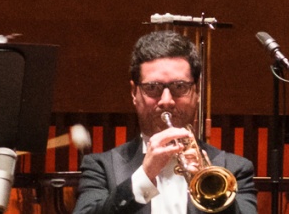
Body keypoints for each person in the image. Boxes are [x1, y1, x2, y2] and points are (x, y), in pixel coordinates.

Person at [73, 28, 259, 214]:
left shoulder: (234, 169)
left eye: (180, 87)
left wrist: (211, 190)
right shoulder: (102, 167)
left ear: (197, 92)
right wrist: (144, 177)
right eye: (152, 88)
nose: (167, 100)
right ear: (134, 93)